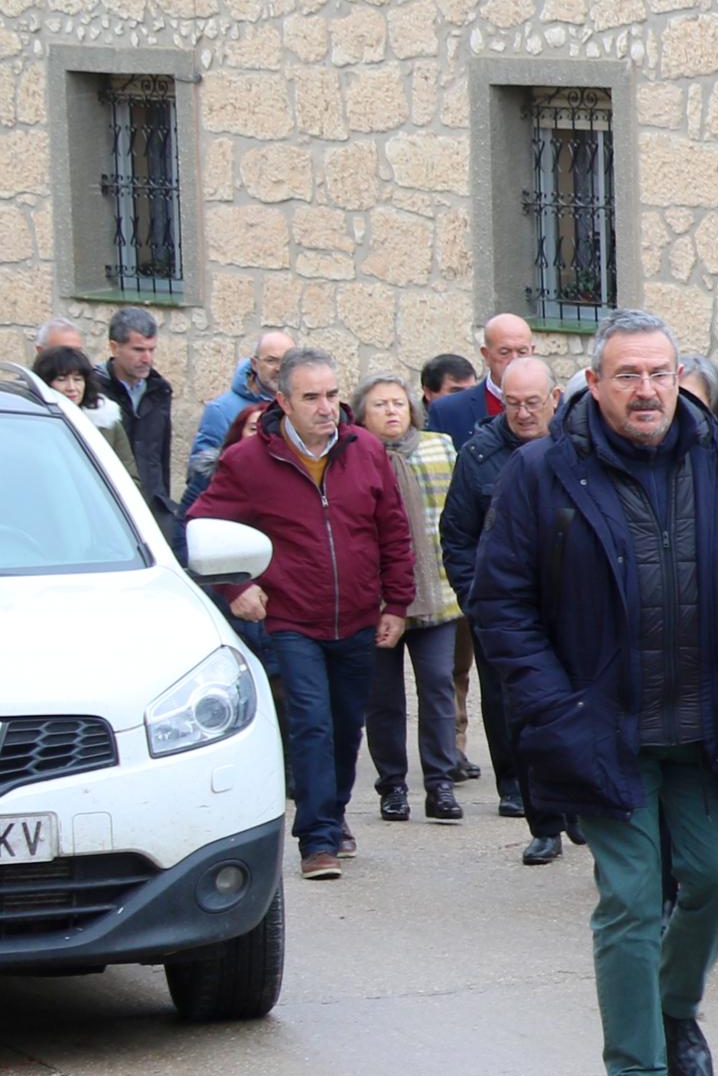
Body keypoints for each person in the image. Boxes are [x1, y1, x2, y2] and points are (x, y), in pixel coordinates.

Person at [468, 311, 718, 1076]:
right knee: (631, 899)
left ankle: (675, 1006)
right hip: (602, 728)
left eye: (659, 374)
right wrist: (552, 705)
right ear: (596, 384)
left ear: (679, 376)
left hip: (711, 718)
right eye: (627, 376)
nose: (646, 390)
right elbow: (501, 604)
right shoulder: (545, 473)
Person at [189, 348, 415, 880]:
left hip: (358, 615)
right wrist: (233, 586)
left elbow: (393, 530)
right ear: (283, 402)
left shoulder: (366, 451)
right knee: (310, 723)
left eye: (333, 394)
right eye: (311, 397)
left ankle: (332, 816)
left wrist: (398, 603)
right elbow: (200, 526)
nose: (326, 407)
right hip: (292, 618)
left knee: (344, 724)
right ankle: (317, 838)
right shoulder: (247, 462)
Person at [443, 355, 566, 860]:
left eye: (532, 403)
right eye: (512, 403)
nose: (521, 413)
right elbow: (457, 536)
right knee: (512, 710)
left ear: (554, 400)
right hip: (504, 610)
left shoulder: (577, 450)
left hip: (568, 607)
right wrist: (479, 603)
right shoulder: (478, 455)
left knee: (570, 710)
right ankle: (537, 816)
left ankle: (575, 804)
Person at [354, 373, 468, 825]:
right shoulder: (354, 455)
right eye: (380, 404)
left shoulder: (441, 447)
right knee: (383, 698)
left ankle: (440, 783)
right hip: (375, 600)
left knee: (438, 685)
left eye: (398, 403)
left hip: (436, 593)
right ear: (362, 414)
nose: (392, 412)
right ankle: (393, 786)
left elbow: (460, 511)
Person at [188, 325, 296, 506]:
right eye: (271, 360)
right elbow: (201, 477)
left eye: (286, 362)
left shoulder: (299, 409)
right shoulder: (220, 411)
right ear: (254, 364)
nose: (279, 368)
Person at [95, 306, 177, 511]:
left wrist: (163, 504)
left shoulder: (160, 391)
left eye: (151, 349)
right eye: (138, 350)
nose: (147, 358)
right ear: (115, 348)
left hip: (150, 507)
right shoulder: (93, 390)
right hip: (108, 504)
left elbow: (161, 457)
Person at [427, 313, 539, 444]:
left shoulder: (558, 407)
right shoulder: (448, 411)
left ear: (532, 352)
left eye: (522, 352)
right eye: (504, 352)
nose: (514, 360)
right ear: (486, 355)